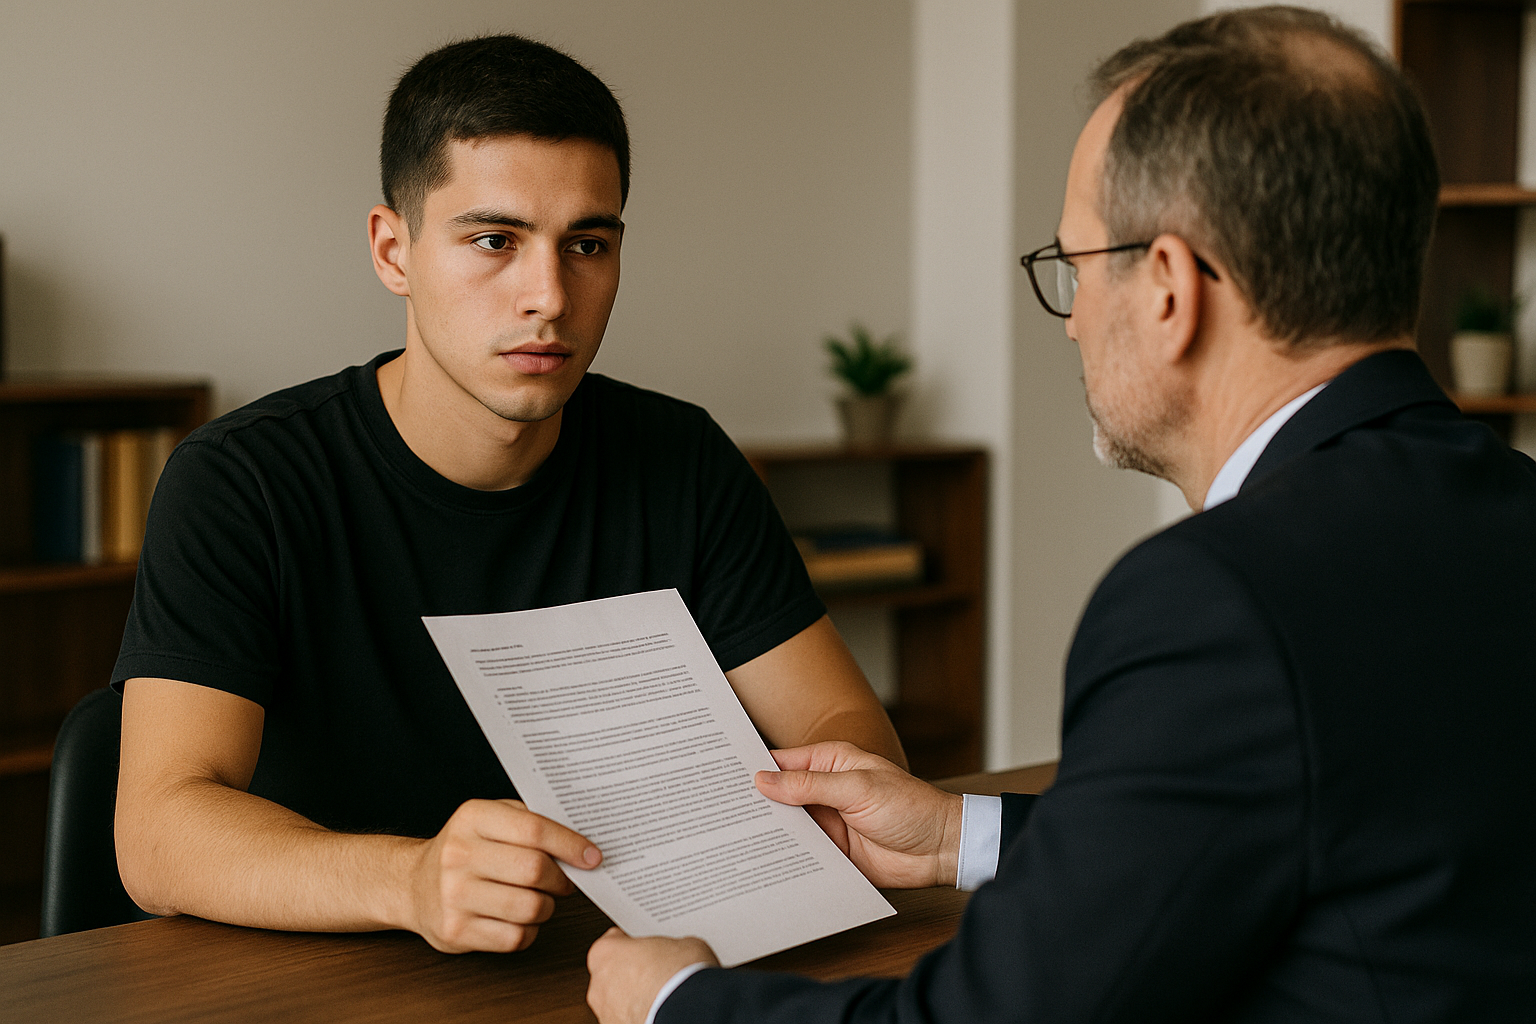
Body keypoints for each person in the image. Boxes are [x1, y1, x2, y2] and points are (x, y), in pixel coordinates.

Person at [586, 7, 1536, 1022]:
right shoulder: (1507, 503)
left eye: (1076, 266)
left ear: (1169, 287)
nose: (1075, 314)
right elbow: (1325, 829)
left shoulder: (1216, 600)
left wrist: (677, 1002)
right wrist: (959, 835)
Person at [111, 34, 904, 955]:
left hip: (620, 958)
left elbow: (842, 726)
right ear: (393, 250)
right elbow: (158, 834)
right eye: (494, 240)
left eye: (588, 244)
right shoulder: (241, 481)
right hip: (324, 970)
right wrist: (409, 881)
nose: (550, 296)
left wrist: (835, 802)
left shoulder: (678, 456)